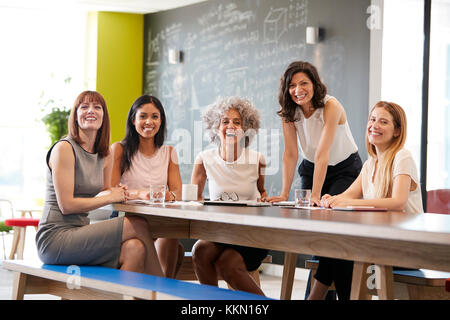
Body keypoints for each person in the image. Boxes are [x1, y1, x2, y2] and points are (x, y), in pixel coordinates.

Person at [36, 91, 163, 277]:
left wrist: (132, 193)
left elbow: (106, 191)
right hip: (55, 238)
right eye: (84, 107)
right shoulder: (64, 148)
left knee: (135, 248)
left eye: (97, 107)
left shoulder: (104, 153)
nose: (91, 111)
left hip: (80, 232)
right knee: (138, 224)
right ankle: (161, 289)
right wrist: (111, 196)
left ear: (104, 115)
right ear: (75, 115)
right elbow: (67, 205)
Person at [308, 101, 424, 300]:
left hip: (406, 249)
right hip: (380, 245)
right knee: (336, 248)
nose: (374, 125)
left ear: (397, 131)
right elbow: (347, 196)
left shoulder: (401, 157)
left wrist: (350, 204)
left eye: (383, 122)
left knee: (343, 255)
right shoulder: (370, 164)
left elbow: (398, 202)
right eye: (372, 120)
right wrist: (331, 199)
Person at [267, 61, 363, 299]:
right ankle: (319, 295)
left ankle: (318, 295)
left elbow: (323, 153)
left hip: (344, 169)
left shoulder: (331, 105)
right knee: (318, 232)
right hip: (311, 168)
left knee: (335, 228)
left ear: (315, 84)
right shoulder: (289, 112)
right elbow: (290, 154)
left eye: (303, 83)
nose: (298, 89)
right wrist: (283, 193)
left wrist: (317, 196)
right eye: (292, 85)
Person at [191, 96, 268, 295]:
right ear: (215, 128)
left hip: (250, 234)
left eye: (237, 122)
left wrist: (266, 198)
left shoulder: (257, 159)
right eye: (225, 121)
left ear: (246, 129)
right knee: (200, 250)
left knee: (228, 264)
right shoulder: (204, 159)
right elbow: (193, 197)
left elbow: (263, 193)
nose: (231, 126)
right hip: (221, 231)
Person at [110, 94, 184, 278]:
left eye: (155, 116)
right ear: (133, 120)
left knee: (172, 234)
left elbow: (177, 193)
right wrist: (141, 194)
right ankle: (160, 286)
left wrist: (170, 196)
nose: (149, 121)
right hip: (126, 218)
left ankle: (161, 288)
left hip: (158, 218)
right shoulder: (119, 149)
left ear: (161, 121)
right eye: (143, 116)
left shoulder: (169, 152)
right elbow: (110, 190)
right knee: (175, 249)